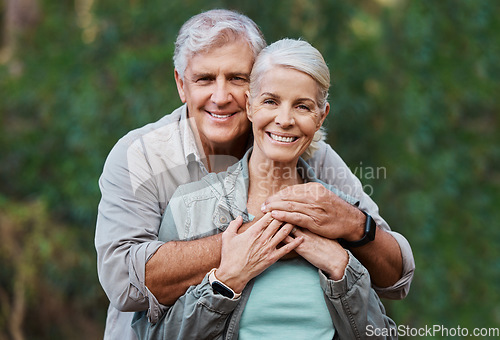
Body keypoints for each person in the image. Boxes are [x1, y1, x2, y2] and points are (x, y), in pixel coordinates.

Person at [95, 9, 414, 340]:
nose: (221, 97)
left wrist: (351, 225)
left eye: (237, 78)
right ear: (181, 84)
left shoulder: (307, 150)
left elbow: (396, 278)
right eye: (205, 79)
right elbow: (123, 282)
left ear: (256, 87)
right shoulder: (141, 154)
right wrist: (262, 238)